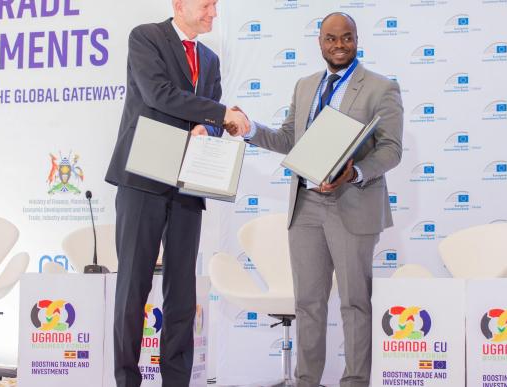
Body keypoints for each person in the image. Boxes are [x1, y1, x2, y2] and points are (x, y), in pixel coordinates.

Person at [229, 12, 403, 387]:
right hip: (305, 205)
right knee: (308, 303)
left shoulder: (380, 87)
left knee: (355, 303)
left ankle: (355, 381)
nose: (339, 45)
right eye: (330, 39)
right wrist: (251, 128)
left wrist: (354, 172)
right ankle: (307, 380)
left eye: (346, 38)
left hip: (352, 202)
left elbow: (391, 150)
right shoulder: (305, 85)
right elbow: (290, 139)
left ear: (357, 39)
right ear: (319, 42)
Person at [104, 0, 248, 386]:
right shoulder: (146, 37)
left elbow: (212, 113)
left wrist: (211, 128)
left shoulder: (212, 59)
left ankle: (177, 380)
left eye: (216, 7)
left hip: (188, 181)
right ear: (179, 4)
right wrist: (219, 117)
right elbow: (158, 94)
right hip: (144, 178)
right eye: (206, 5)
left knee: (182, 289)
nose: (213, 13)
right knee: (133, 284)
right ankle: (126, 379)